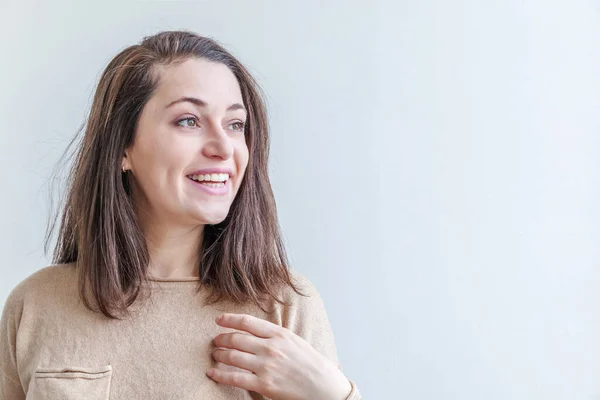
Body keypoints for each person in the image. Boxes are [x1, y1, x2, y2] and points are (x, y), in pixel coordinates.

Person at [0, 31, 362, 399]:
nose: (224, 147)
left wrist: (332, 395)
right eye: (189, 120)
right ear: (122, 147)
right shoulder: (36, 305)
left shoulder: (283, 305)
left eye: (236, 125)